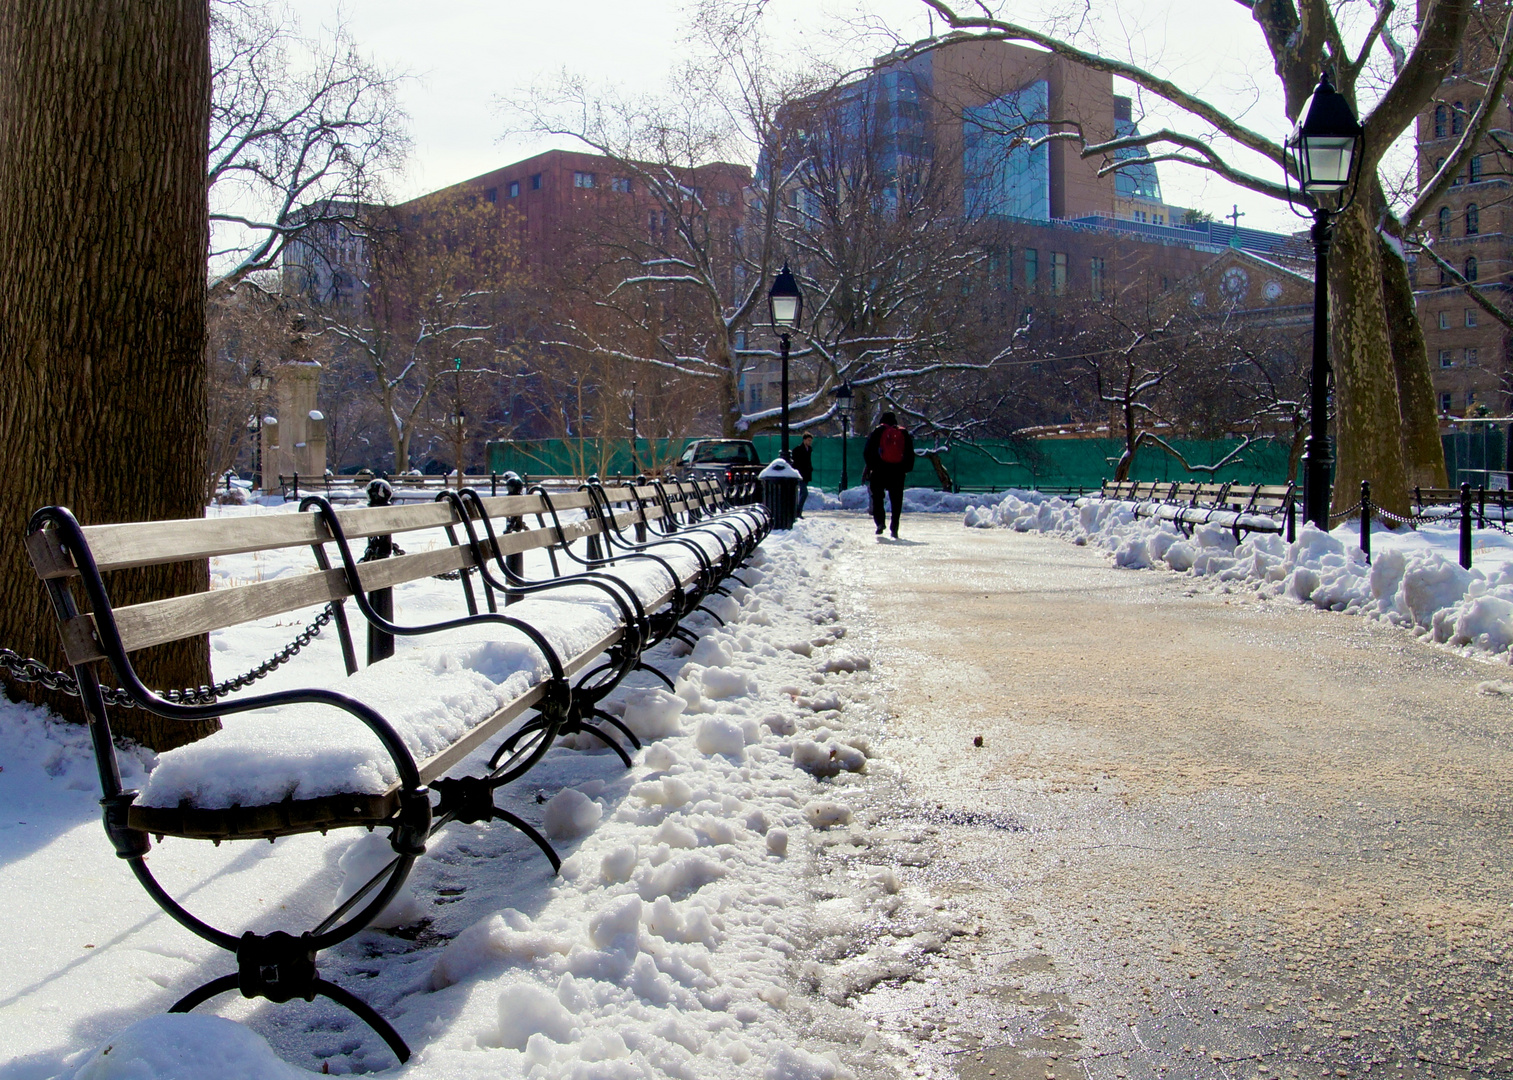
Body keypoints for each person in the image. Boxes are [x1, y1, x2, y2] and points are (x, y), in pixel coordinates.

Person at [862, 411, 914, 538]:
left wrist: (872, 466)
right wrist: (905, 468)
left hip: (879, 471)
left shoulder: (878, 431)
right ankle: (894, 527)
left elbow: (867, 451)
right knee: (896, 500)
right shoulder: (903, 433)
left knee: (877, 497)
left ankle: (880, 522)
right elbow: (910, 453)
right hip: (898, 472)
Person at [790, 432, 814, 517]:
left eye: (810, 440)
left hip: (806, 474)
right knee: (804, 493)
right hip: (800, 474)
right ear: (804, 440)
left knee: (802, 493)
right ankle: (798, 512)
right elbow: (796, 463)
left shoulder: (809, 449)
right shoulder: (798, 450)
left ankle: (798, 512)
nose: (810, 442)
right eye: (808, 440)